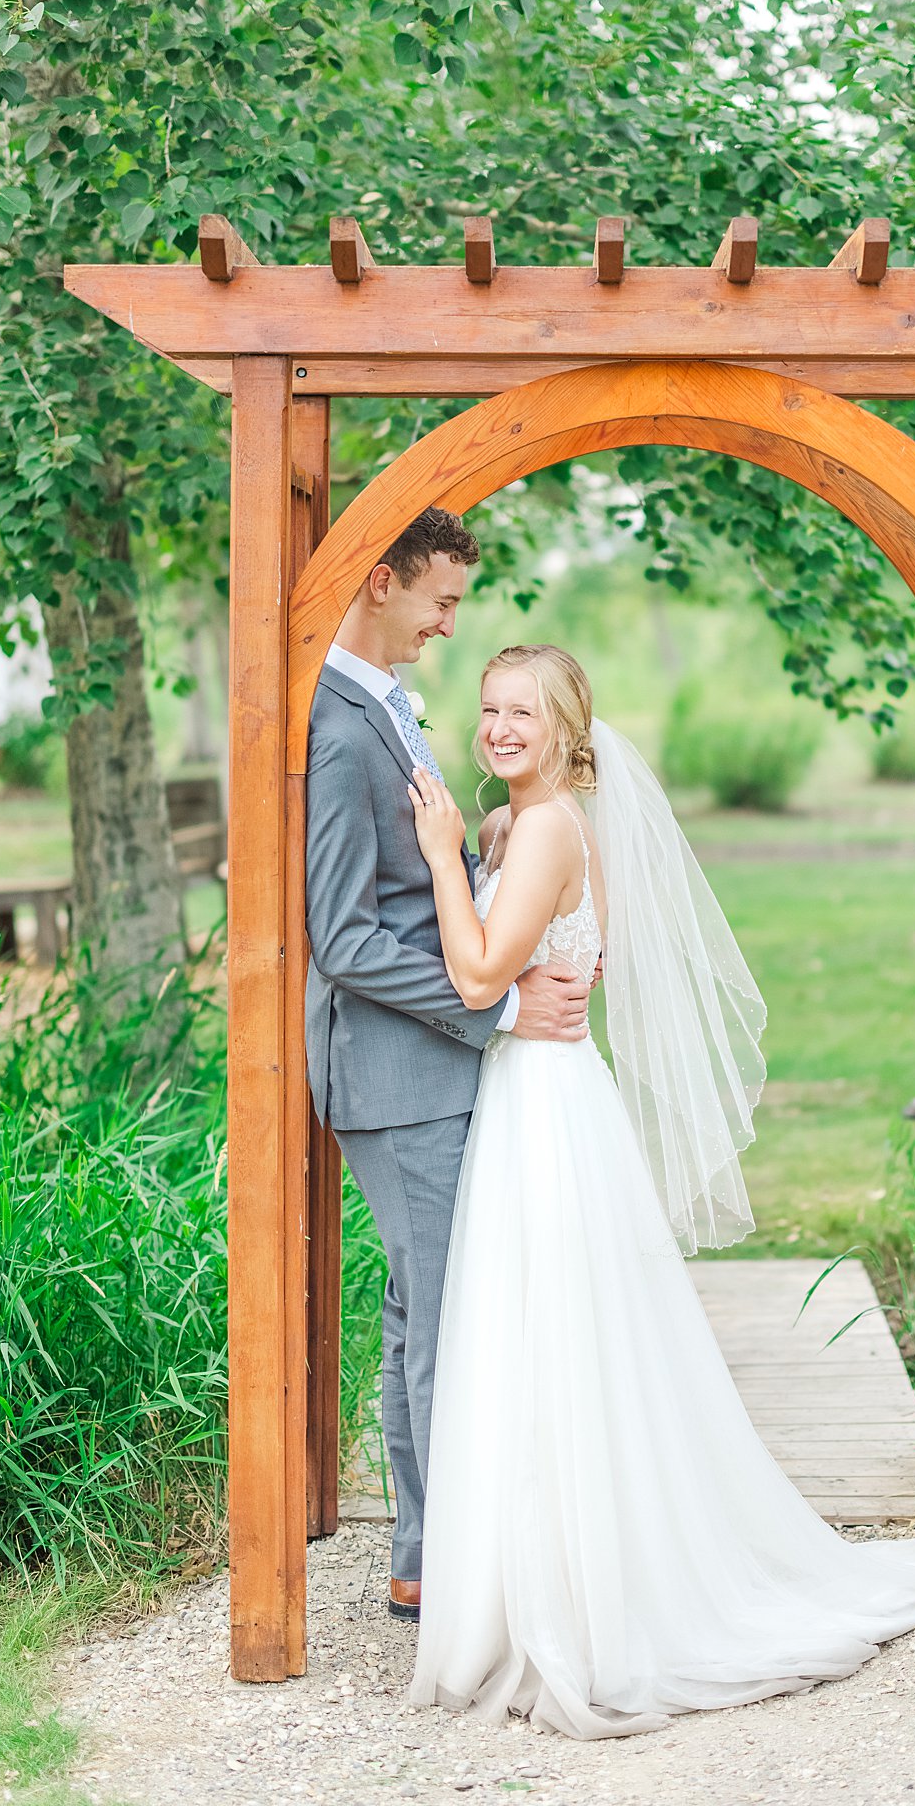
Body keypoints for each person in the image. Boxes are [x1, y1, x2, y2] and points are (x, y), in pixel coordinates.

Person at [405, 643, 915, 1739]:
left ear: (570, 728)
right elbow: (514, 965)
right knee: (546, 1338)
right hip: (543, 1095)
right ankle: (543, 1578)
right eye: (487, 708)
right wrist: (476, 869)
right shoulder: (532, 824)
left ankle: (574, 1601)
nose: (497, 727)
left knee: (548, 1338)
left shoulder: (544, 827)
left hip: (543, 1104)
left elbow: (477, 975)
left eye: (522, 710)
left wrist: (439, 856)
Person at [303, 512, 592, 1625]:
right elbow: (346, 934)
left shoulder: (385, 706)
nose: (448, 623)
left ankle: (428, 1551)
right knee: (446, 1314)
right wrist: (505, 1000)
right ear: (381, 581)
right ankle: (448, 1564)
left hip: (439, 1059)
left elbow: (432, 887)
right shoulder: (339, 727)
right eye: (443, 599)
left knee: (423, 1310)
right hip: (397, 1071)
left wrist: (525, 927)